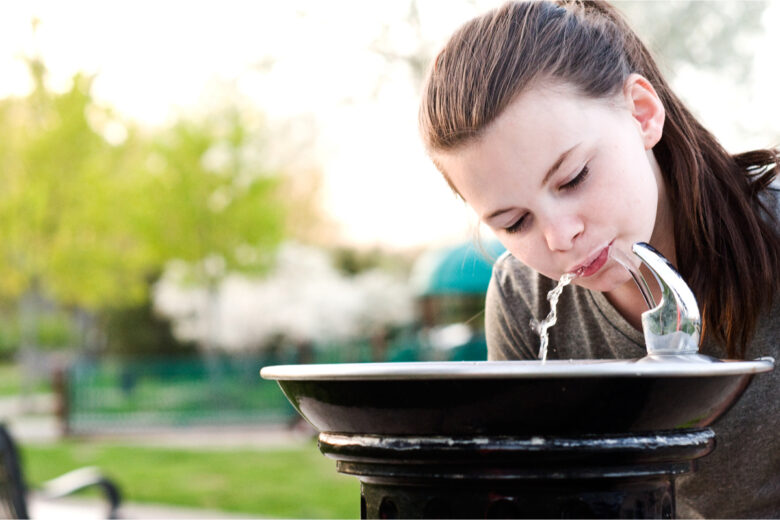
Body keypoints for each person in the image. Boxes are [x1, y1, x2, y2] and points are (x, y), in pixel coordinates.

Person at [417, 1, 780, 518]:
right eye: (514, 222)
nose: (561, 237)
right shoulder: (524, 298)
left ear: (642, 114)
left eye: (572, 179)